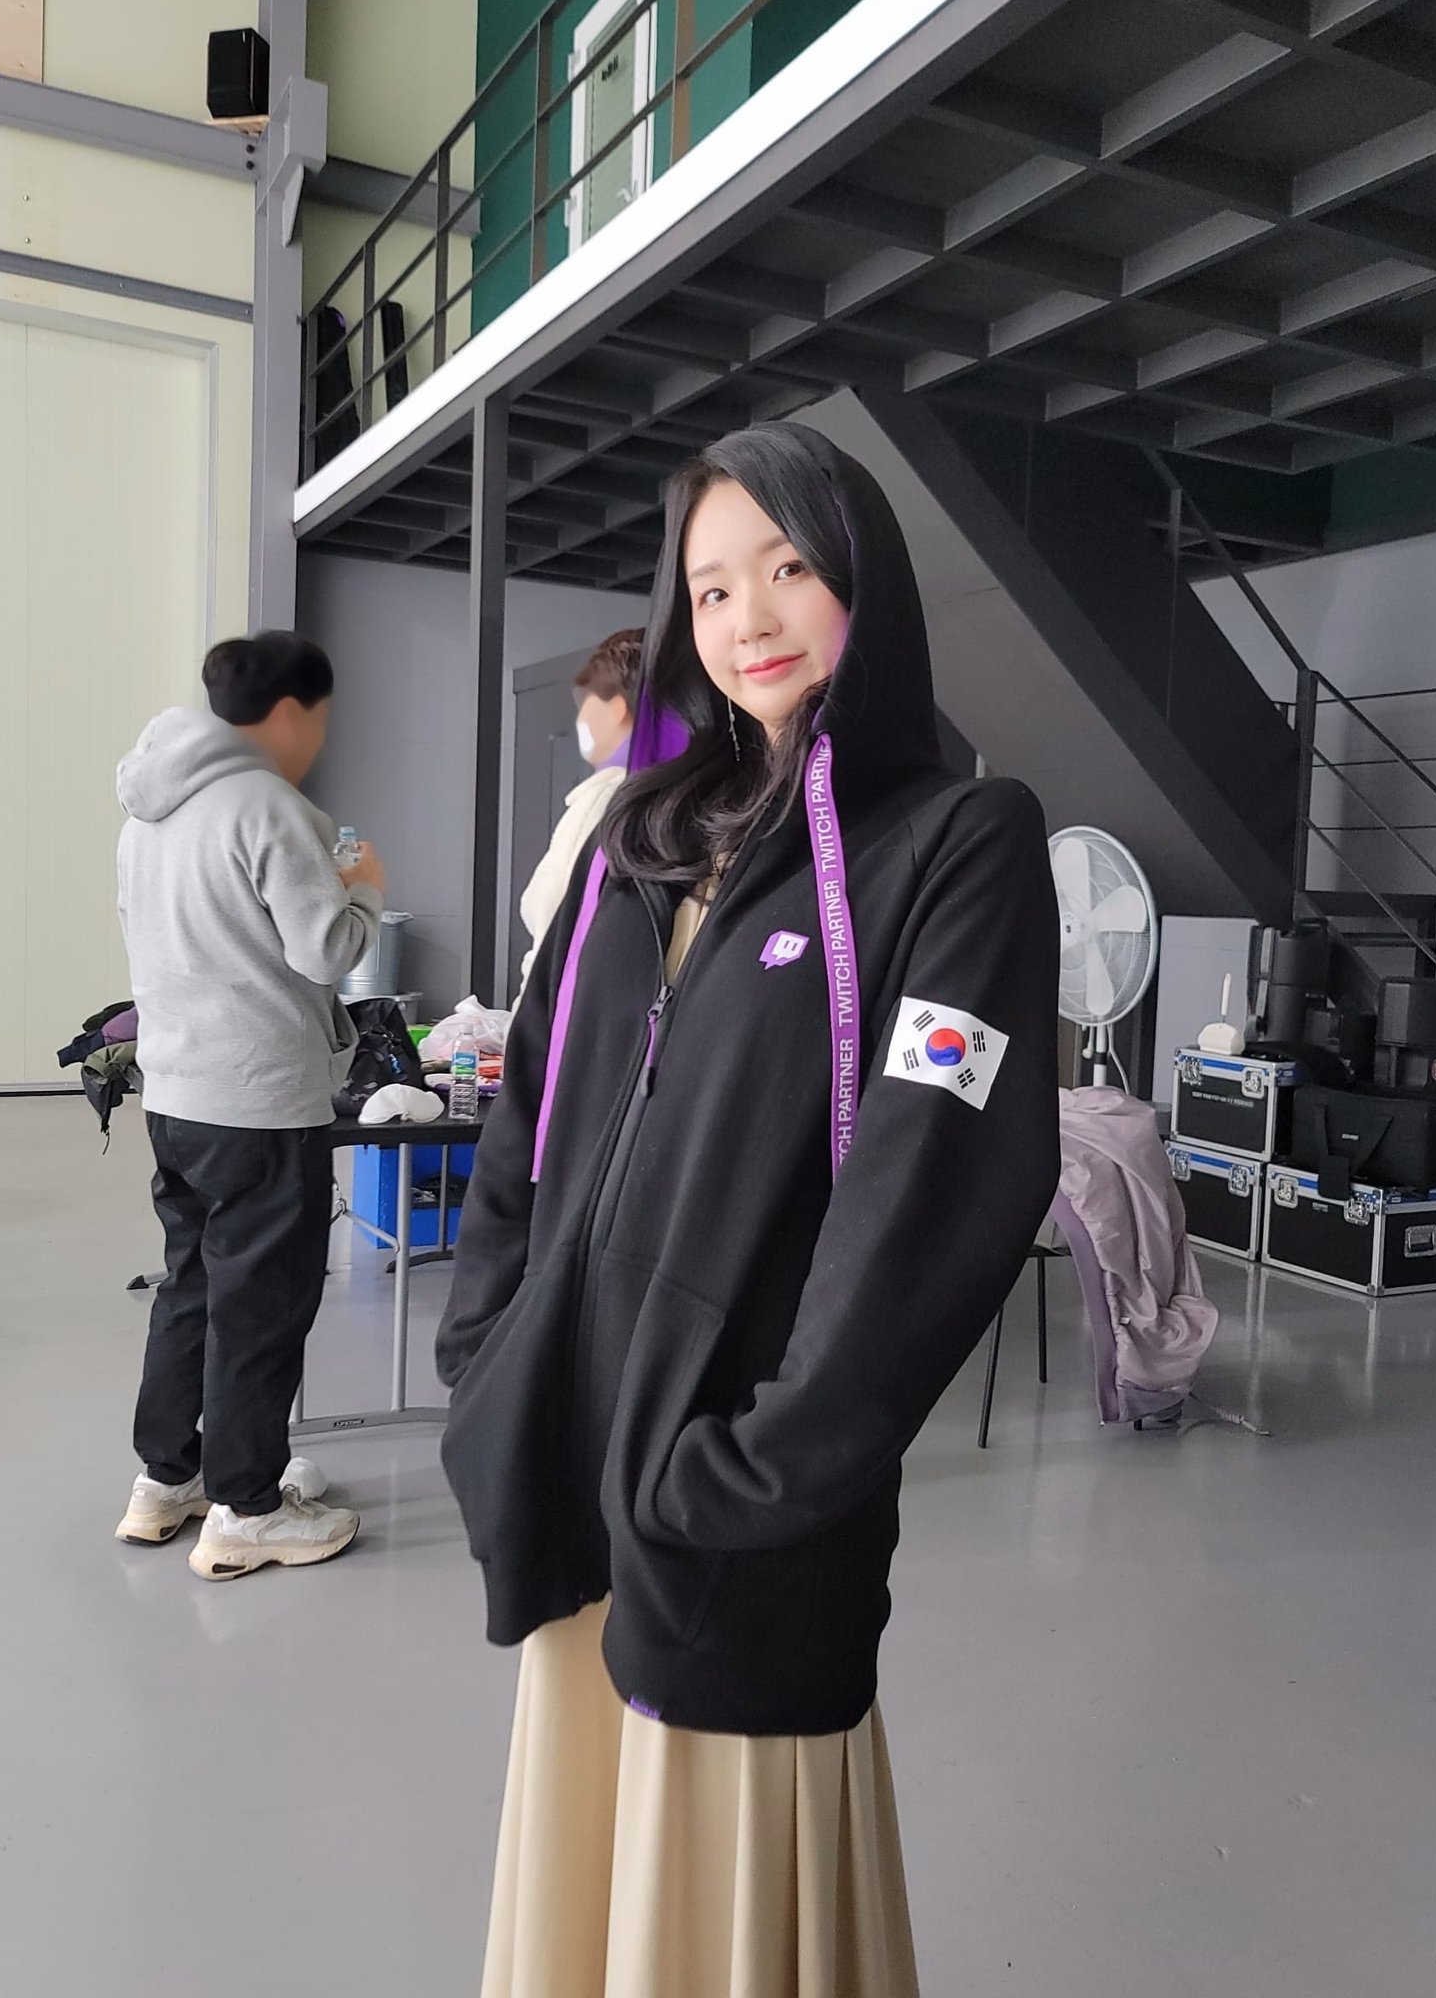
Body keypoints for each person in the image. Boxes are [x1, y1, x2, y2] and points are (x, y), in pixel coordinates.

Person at [437, 423, 1061, 1998]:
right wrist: (484, 1351)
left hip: (737, 1492)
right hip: (566, 1455)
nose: (748, 619)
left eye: (787, 568)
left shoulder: (955, 842)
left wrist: (764, 1465)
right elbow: (528, 1108)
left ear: (862, 578)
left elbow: (934, 1185)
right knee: (588, 1876)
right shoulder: (637, 839)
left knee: (718, 1899)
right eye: (710, 589)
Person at [113, 634, 385, 1581]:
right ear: (291, 713)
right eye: (320, 720)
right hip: (261, 1098)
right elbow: (325, 949)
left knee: (190, 1284)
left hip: (176, 1091)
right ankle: (248, 1508)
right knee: (260, 1306)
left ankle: (167, 1479)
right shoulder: (269, 805)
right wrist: (364, 888)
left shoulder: (146, 810)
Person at [515, 626, 643, 997]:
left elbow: (553, 933)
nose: (580, 722)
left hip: (571, 1009)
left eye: (585, 707)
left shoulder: (603, 801)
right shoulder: (680, 796)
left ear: (615, 710)